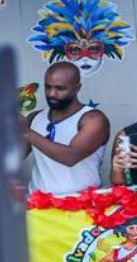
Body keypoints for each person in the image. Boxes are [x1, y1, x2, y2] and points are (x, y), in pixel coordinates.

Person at [25, 62, 110, 195]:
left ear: (77, 88)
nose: (52, 94)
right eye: (48, 87)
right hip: (39, 207)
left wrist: (26, 132)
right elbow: (11, 159)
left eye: (60, 88)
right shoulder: (34, 118)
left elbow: (70, 157)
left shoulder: (93, 119)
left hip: (83, 205)